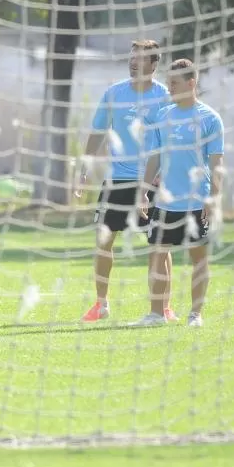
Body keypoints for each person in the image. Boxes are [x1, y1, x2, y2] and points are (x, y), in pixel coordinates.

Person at [75, 39, 175, 323]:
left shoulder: (164, 97)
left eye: (140, 59)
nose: (133, 62)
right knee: (103, 240)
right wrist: (83, 169)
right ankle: (101, 304)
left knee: (158, 245)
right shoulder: (113, 93)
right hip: (116, 180)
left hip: (152, 182)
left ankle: (163, 307)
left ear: (154, 65)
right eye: (131, 58)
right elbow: (97, 132)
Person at [137, 59, 224, 327]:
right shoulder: (164, 116)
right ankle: (155, 314)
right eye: (169, 81)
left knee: (199, 258)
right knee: (156, 254)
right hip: (165, 202)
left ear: (191, 83)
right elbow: (155, 157)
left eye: (174, 82)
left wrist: (213, 197)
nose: (169, 87)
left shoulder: (210, 118)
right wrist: (144, 190)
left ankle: (195, 315)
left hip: (196, 202)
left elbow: (216, 164)